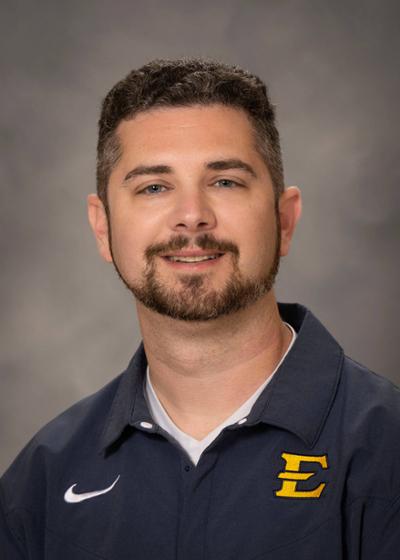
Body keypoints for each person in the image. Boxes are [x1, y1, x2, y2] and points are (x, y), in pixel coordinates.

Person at [1, 58, 399, 560]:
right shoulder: (41, 482)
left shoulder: (387, 451)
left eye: (225, 181)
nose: (191, 216)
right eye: (153, 187)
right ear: (103, 228)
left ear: (284, 219)